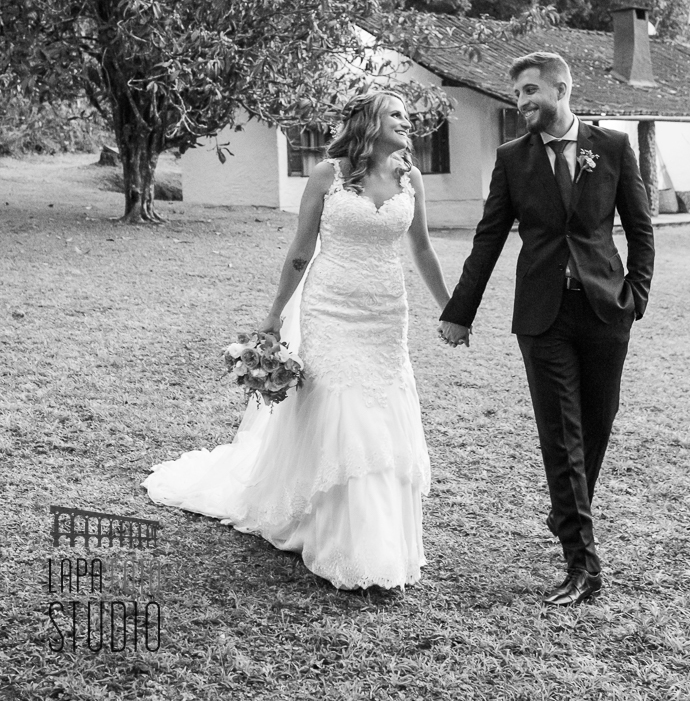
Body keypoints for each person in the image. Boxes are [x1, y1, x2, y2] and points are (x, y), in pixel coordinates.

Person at [142, 91, 451, 591]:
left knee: (380, 408)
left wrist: (451, 310)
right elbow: (301, 250)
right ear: (370, 120)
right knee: (339, 407)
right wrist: (273, 315)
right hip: (329, 307)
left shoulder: (409, 176)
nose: (407, 122)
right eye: (397, 113)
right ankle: (333, 532)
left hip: (385, 314)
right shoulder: (327, 176)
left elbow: (423, 250)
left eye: (407, 116)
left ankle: (378, 534)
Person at [438, 51, 654, 606]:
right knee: (562, 435)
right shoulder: (512, 158)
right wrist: (460, 311)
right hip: (543, 316)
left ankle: (567, 512)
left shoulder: (613, 148)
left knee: (595, 428)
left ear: (561, 88)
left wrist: (637, 296)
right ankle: (583, 563)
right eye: (516, 96)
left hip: (608, 311)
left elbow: (640, 227)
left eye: (530, 91)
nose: (523, 103)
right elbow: (488, 238)